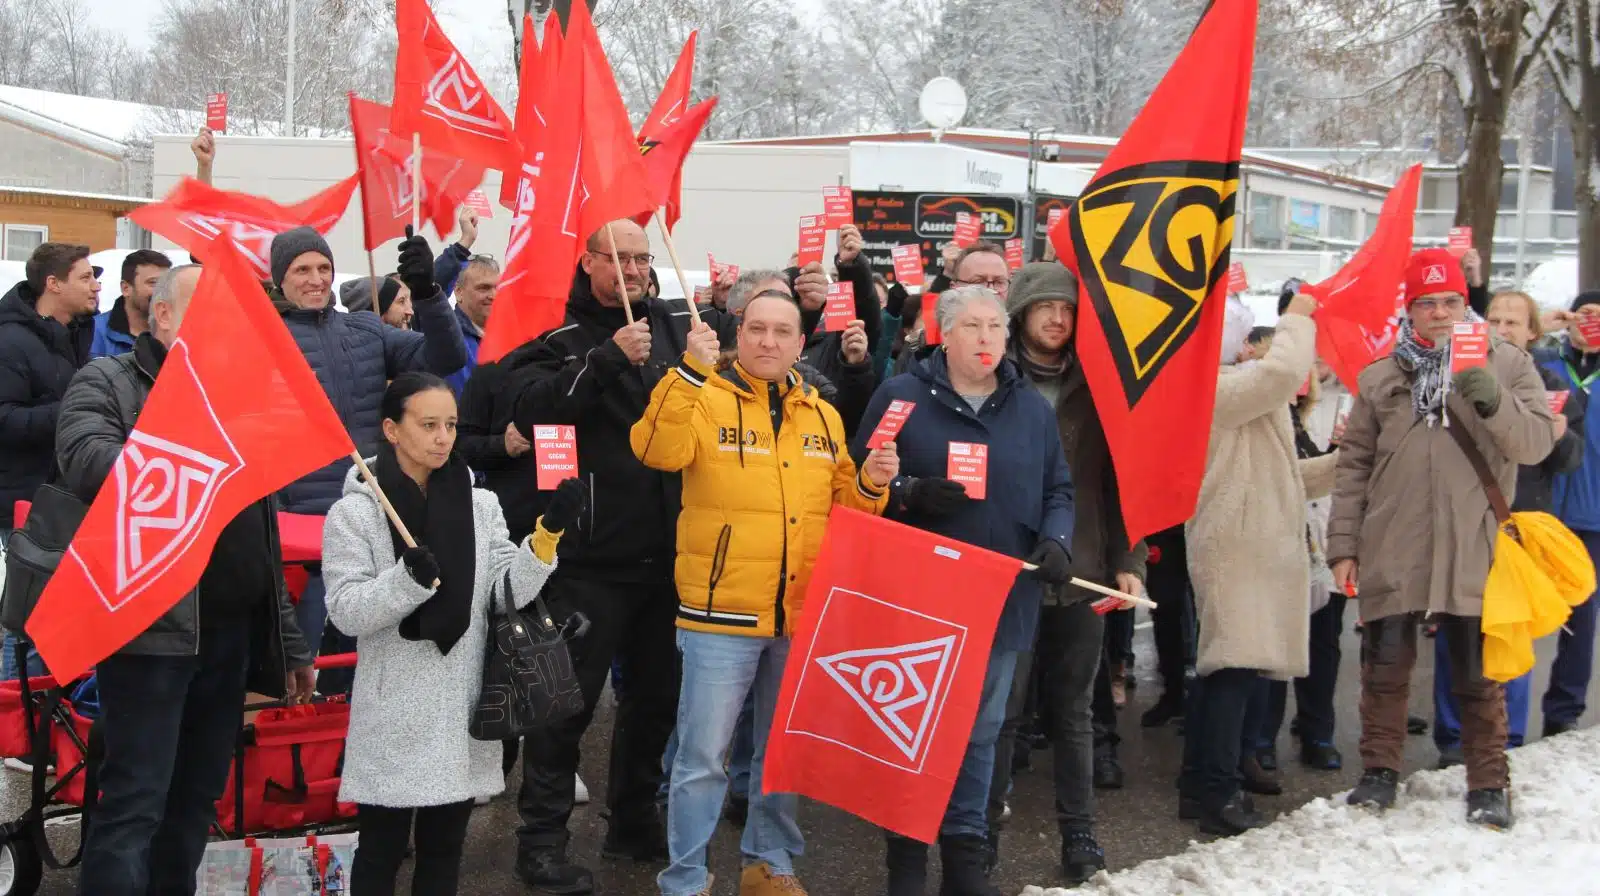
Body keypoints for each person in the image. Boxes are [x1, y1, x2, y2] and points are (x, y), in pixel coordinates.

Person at [631, 290, 897, 896]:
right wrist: (687, 371)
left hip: (800, 614)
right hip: (719, 611)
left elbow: (844, 508)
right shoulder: (703, 394)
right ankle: (686, 878)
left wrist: (873, 484)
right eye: (757, 329)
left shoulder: (823, 415)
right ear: (739, 335)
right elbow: (655, 448)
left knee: (784, 753)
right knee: (702, 760)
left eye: (782, 332)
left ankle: (769, 864)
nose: (768, 341)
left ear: (801, 345)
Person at [59, 265, 314, 894]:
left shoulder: (237, 395)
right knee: (134, 803)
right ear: (163, 315)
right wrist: (185, 454)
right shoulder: (110, 380)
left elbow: (262, 531)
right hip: (151, 636)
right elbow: (87, 459)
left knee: (196, 802)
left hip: (229, 637)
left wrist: (288, 643)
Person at [321, 373, 585, 895]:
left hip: (462, 704)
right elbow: (347, 611)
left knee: (444, 853)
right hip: (393, 708)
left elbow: (507, 591)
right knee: (381, 851)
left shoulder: (479, 504)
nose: (443, 437)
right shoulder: (354, 514)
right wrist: (405, 581)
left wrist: (547, 535)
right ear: (392, 431)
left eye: (450, 425)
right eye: (428, 425)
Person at [854, 285, 1074, 896]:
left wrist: (1057, 540)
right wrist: (907, 494)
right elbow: (857, 477)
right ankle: (905, 857)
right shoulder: (900, 397)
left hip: (999, 597)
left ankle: (965, 858)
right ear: (943, 335)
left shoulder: (1031, 409)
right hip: (917, 598)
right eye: (971, 327)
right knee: (913, 730)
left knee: (979, 734)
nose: (984, 339)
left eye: (994, 328)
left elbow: (1059, 489)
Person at [1330, 249, 1554, 829]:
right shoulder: (1381, 375)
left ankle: (1488, 783)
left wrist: (1491, 396)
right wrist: (1343, 547)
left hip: (1475, 540)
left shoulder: (1508, 365)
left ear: (1465, 303)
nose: (1439, 313)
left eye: (1451, 301)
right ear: (1409, 309)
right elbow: (1353, 467)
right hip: (1393, 539)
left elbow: (1534, 445)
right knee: (1384, 666)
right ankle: (1379, 773)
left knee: (1479, 674)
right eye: (1426, 303)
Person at [507, 220, 694, 893]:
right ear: (588, 262)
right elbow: (531, 408)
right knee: (565, 707)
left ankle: (633, 821)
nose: (638, 269)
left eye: (645, 257)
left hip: (669, 554)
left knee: (656, 702)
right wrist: (609, 357)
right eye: (622, 258)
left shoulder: (679, 326)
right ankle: (540, 842)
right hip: (589, 557)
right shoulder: (555, 331)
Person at [983, 263, 1141, 883]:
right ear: (1020, 312)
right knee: (1002, 714)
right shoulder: (990, 378)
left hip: (1084, 573)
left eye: (1067, 309)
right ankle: (982, 835)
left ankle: (1081, 835)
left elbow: (1123, 482)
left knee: (1074, 715)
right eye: (1044, 306)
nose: (1057, 317)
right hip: (1009, 573)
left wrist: (1128, 562)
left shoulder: (1100, 385)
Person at [268, 225, 467, 679]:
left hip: (370, 513)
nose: (316, 278)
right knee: (306, 666)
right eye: (302, 270)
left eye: (323, 267)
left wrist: (429, 292)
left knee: (364, 660)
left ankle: (350, 747)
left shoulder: (365, 330)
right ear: (281, 279)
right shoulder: (264, 338)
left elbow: (445, 358)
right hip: (301, 527)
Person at [1180, 292, 1337, 836]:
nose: (1251, 347)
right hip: (1233, 543)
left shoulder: (1236, 390)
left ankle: (1202, 784)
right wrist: (1298, 316)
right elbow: (1284, 371)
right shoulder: (1209, 387)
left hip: (1251, 542)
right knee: (1231, 668)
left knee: (1232, 671)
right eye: (1242, 335)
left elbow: (1287, 475)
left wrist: (1347, 461)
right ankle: (1216, 794)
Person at [1430, 290, 1584, 766]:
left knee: (1510, 632)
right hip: (1460, 521)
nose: (1501, 328)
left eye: (1513, 322)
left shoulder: (1550, 380)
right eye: (1493, 318)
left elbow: (1567, 459)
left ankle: (1507, 738)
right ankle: (1453, 738)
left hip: (1518, 524)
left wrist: (1557, 435)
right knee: (1455, 630)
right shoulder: (1452, 371)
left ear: (1533, 332)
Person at [0, 242, 98, 680]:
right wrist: (72, 411)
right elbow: (4, 418)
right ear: (53, 285)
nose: (96, 286)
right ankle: (13, 721)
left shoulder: (75, 332)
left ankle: (42, 720)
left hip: (63, 495)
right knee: (27, 617)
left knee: (56, 617)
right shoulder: (12, 341)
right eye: (85, 277)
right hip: (22, 496)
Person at [1524, 289, 1600, 739]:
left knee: (1581, 614)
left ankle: (1564, 708)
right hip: (1537, 507)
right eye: (1585, 314)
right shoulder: (1546, 365)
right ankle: (1502, 704)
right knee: (1520, 607)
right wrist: (1542, 331)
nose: (1590, 323)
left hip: (1592, 513)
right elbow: (1493, 353)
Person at [90, 249, 172, 359]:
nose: (163, 290)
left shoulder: (178, 333)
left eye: (167, 283)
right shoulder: (94, 332)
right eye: (153, 283)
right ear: (126, 288)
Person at [444, 254, 500, 396]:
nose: (494, 295)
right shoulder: (448, 338)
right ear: (459, 292)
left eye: (498, 287)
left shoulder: (514, 336)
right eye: (484, 288)